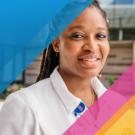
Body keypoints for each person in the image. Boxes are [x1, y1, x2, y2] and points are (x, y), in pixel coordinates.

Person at [0, 1, 110, 135]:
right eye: (78, 36)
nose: (92, 46)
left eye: (100, 36)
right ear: (56, 43)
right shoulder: (25, 106)